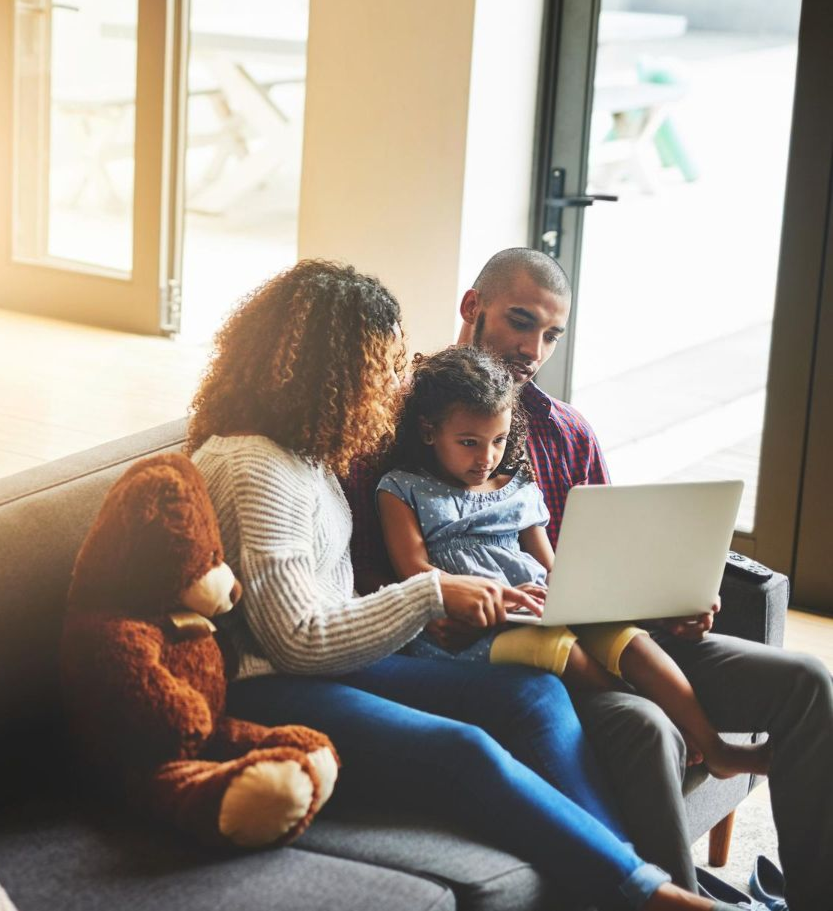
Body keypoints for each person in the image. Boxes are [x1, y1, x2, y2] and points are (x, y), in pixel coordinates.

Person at [186, 258, 735, 911]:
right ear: (329, 368)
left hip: (328, 668)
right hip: (268, 684)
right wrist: (433, 592)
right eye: (380, 361)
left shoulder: (304, 450)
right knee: (462, 746)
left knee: (532, 693)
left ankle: (629, 875)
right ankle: (645, 893)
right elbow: (297, 639)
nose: (393, 379)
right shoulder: (255, 464)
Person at [345, 247, 832, 911]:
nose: (532, 348)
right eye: (519, 322)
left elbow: (602, 562)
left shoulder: (565, 431)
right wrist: (434, 603)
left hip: (600, 624)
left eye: (549, 334)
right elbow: (373, 577)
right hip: (509, 651)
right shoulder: (393, 426)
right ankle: (683, 902)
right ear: (472, 306)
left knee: (807, 681)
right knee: (645, 724)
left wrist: (671, 601)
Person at [376, 344, 772, 781]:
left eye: (498, 441)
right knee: (554, 648)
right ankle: (662, 721)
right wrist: (499, 596)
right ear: (429, 431)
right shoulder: (402, 489)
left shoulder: (518, 488)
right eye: (468, 443)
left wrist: (584, 598)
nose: (485, 457)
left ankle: (716, 748)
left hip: (536, 609)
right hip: (464, 629)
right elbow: (415, 571)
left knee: (628, 639)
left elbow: (551, 567)